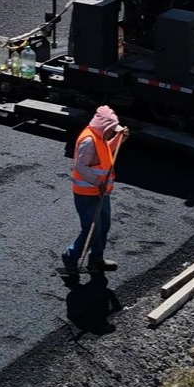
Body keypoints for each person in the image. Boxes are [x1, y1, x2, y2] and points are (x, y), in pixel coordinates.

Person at [63, 105, 127, 274]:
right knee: (92, 230)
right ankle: (70, 256)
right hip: (87, 195)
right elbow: (80, 166)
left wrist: (120, 139)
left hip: (101, 193)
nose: (112, 133)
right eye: (112, 130)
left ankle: (96, 258)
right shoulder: (89, 140)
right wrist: (98, 181)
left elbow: (105, 152)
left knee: (104, 225)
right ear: (103, 126)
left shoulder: (99, 138)